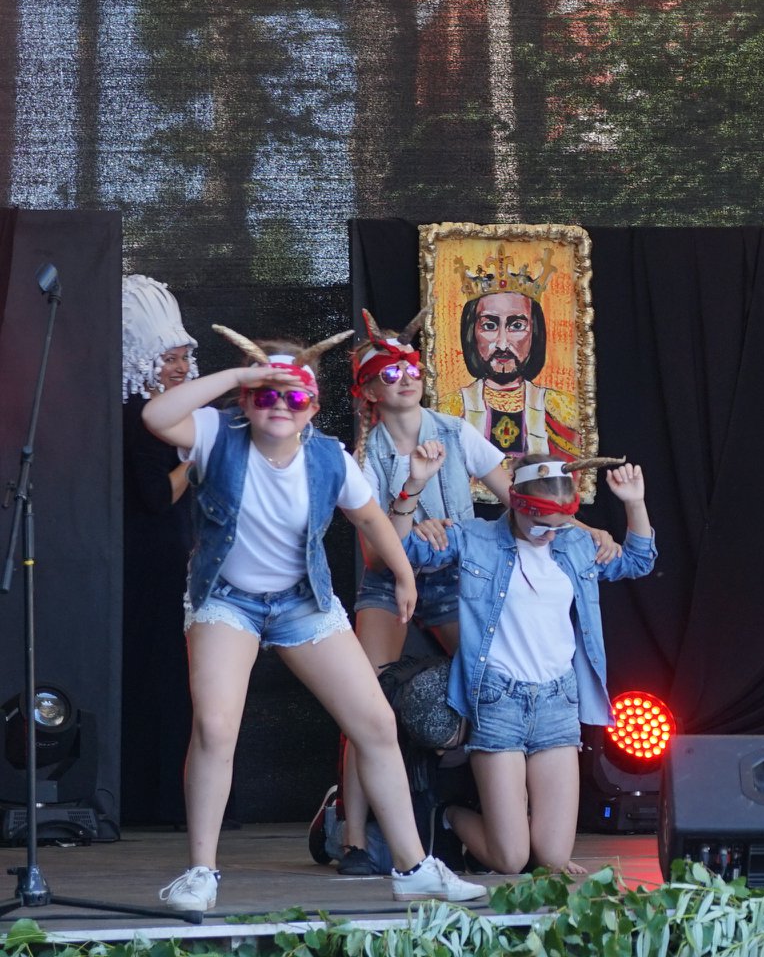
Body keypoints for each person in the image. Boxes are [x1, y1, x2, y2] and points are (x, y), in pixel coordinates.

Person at [141, 324, 488, 914]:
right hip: (228, 599)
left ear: (313, 408)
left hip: (302, 603)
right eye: (266, 394)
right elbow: (156, 415)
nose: (280, 405)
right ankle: (200, 871)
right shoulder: (216, 433)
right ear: (247, 400)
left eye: (295, 396)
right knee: (217, 727)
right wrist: (241, 373)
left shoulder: (329, 457)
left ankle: (413, 867)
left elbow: (372, 519)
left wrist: (404, 574)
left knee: (376, 723)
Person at [401, 454, 655, 874]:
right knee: (512, 860)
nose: (548, 535)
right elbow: (400, 549)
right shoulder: (476, 538)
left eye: (560, 524)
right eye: (539, 524)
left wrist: (634, 503)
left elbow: (638, 561)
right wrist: (412, 495)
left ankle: (511, 826)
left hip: (558, 704)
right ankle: (448, 814)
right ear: (515, 502)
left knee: (552, 860)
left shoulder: (575, 545)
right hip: (498, 702)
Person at [334, 310, 520, 875]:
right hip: (391, 581)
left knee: (497, 683)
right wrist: (411, 508)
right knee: (364, 702)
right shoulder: (364, 456)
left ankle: (488, 819)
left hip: (455, 578)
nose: (405, 379)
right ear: (368, 390)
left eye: (412, 368)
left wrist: (580, 527)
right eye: (390, 373)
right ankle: (354, 837)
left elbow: (520, 499)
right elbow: (375, 556)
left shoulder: (456, 432)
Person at [120, 274, 200, 826]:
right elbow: (155, 498)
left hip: (177, 557)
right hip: (152, 565)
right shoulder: (138, 419)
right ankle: (157, 801)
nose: (178, 367)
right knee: (161, 674)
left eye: (182, 357)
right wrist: (194, 462)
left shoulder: (175, 414)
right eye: (168, 357)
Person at [436, 248, 580, 464]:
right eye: (489, 326)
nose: (502, 343)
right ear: (471, 333)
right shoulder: (449, 410)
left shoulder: (561, 409)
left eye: (517, 326)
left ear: (535, 333)